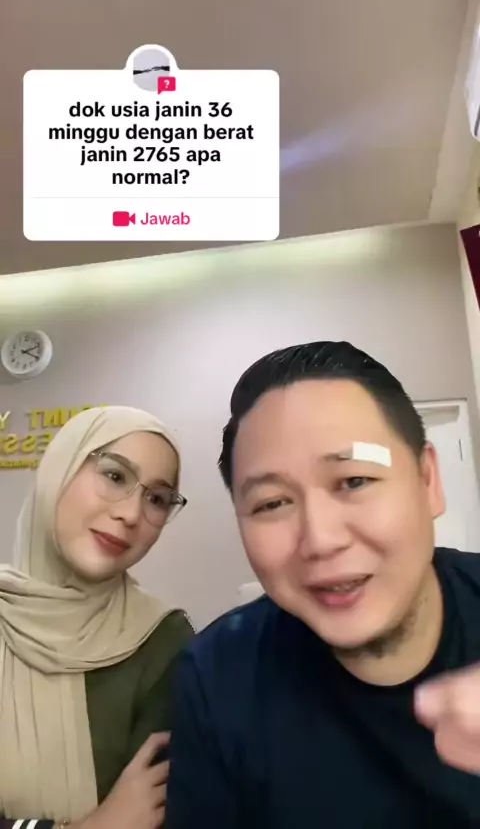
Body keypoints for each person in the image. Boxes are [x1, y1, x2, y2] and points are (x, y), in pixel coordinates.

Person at [166, 341, 480, 827]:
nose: (320, 540)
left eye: (354, 481)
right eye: (272, 503)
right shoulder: (216, 676)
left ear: (428, 480)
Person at [0, 405, 194, 829]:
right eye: (115, 476)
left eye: (157, 499)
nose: (131, 514)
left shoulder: (163, 641)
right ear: (60, 469)